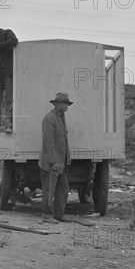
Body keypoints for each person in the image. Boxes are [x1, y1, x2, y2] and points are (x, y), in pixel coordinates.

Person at [38, 92, 73, 223]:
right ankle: (46, 216)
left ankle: (59, 215)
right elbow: (48, 142)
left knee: (63, 189)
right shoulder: (50, 118)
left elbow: (64, 138)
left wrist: (67, 157)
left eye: (67, 103)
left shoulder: (61, 116)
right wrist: (54, 161)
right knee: (49, 190)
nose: (66, 106)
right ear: (57, 104)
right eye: (64, 103)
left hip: (61, 162)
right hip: (51, 163)